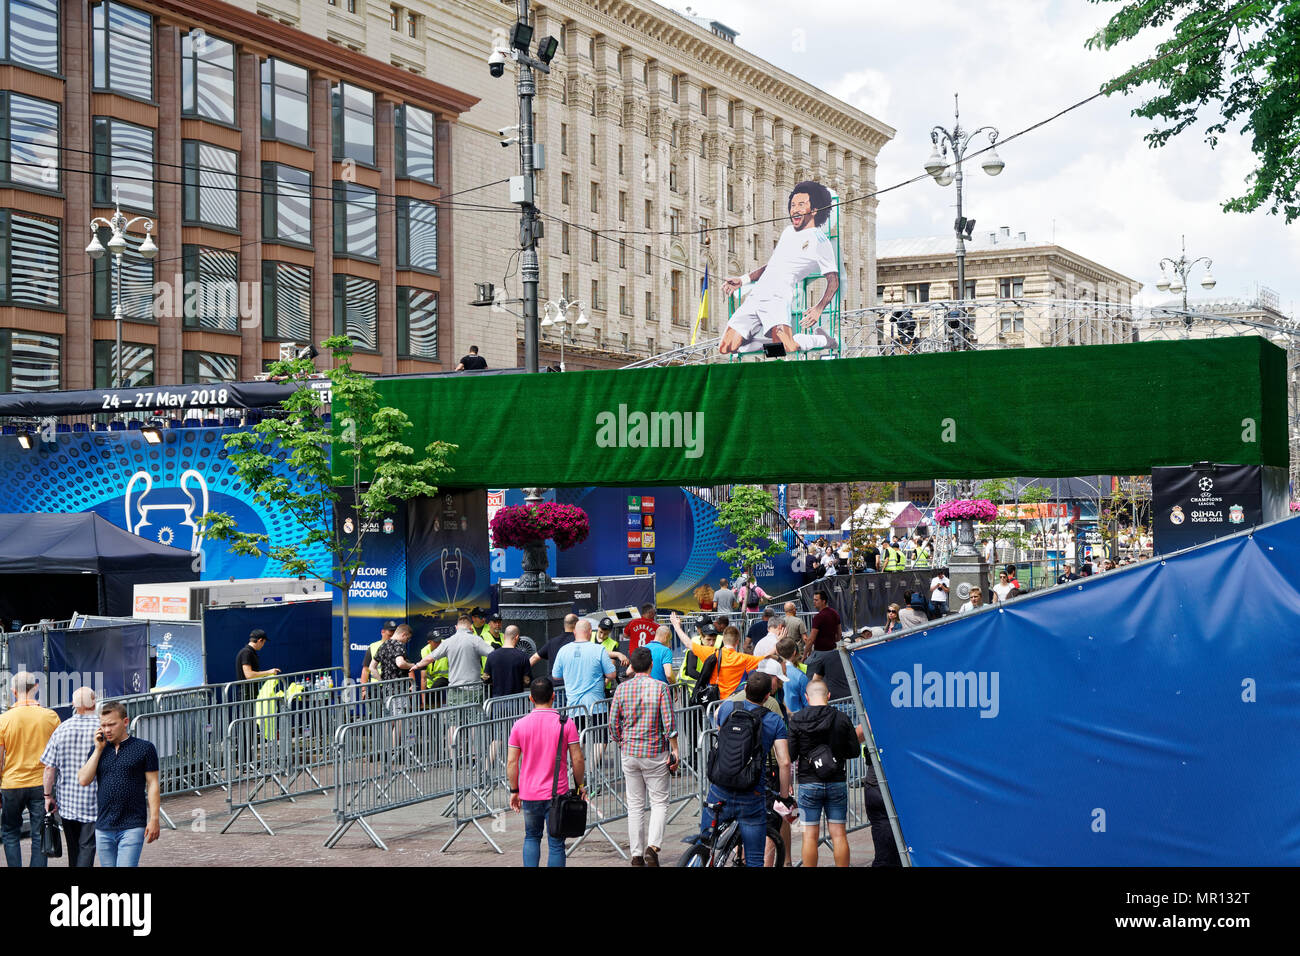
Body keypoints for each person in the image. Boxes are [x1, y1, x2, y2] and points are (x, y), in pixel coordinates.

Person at [718, 180, 839, 356]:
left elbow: (833, 280)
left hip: (778, 296)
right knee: (726, 348)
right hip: (757, 295)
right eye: (793, 205)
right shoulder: (788, 231)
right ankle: (759, 344)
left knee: (787, 349)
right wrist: (743, 280)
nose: (795, 209)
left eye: (801, 205)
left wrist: (818, 308)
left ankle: (820, 339)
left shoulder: (819, 240)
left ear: (814, 210)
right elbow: (772, 265)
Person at [702, 672, 793, 867]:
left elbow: (720, 731)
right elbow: (784, 761)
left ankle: (701, 852)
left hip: (720, 786)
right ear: (768, 695)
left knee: (705, 841)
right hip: (751, 792)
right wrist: (784, 796)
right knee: (753, 859)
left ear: (745, 689)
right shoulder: (774, 721)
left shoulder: (727, 708)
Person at [609, 647, 679, 866]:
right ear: (651, 665)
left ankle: (636, 854)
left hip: (630, 752)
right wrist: (675, 750)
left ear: (632, 666)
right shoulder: (660, 688)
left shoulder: (622, 689)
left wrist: (621, 740)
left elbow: (613, 723)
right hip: (655, 751)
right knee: (659, 802)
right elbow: (669, 723)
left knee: (635, 805)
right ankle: (653, 846)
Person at [506, 677, 586, 867]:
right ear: (553, 696)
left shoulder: (519, 725)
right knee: (557, 842)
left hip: (529, 793)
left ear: (531, 699)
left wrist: (514, 790)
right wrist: (580, 785)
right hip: (557, 794)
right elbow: (577, 759)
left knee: (531, 836)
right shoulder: (566, 723)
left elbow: (511, 762)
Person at [788, 677, 860, 867]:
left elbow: (791, 754)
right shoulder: (841, 718)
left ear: (806, 697)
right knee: (839, 834)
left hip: (808, 783)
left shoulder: (797, 720)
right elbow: (854, 751)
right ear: (828, 695)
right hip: (836, 781)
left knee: (809, 837)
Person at [77, 702, 159, 867]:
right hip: (103, 825)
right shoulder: (98, 749)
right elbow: (84, 780)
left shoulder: (144, 748)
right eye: (103, 725)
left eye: (112, 724)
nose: (107, 730)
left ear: (125, 721)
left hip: (132, 824)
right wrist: (98, 750)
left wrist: (154, 818)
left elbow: (153, 784)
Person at [0, 672, 60, 867]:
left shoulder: (4, 720)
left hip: (12, 783)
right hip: (41, 784)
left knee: (9, 832)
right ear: (36, 687)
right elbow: (58, 754)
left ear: (13, 691)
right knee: (39, 832)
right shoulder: (50, 717)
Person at [41, 687, 100, 868]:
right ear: (94, 702)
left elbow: (49, 768)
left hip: (68, 800)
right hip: (95, 799)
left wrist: (47, 796)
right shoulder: (103, 728)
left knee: (73, 847)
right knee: (88, 846)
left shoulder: (62, 729)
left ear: (74, 704)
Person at [409, 614, 495, 707]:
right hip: (473, 690)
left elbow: (430, 658)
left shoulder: (448, 642)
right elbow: (493, 654)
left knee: (454, 719)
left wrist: (416, 665)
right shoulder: (476, 640)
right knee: (473, 719)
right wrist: (488, 672)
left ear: (456, 627)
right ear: (470, 627)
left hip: (454, 690)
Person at [551, 619, 616, 726]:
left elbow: (556, 676)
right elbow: (611, 674)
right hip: (596, 706)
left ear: (574, 632)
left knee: (577, 739)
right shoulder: (599, 649)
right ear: (590, 632)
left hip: (573, 707)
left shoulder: (563, 650)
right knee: (599, 740)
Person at [687, 625, 767, 701]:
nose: (711, 642)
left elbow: (688, 643)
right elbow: (764, 658)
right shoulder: (744, 658)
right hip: (733, 701)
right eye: (709, 639)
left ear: (723, 639)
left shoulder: (712, 653)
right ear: (737, 642)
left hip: (714, 700)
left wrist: (677, 626)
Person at [484, 626, 532, 698]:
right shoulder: (523, 656)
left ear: (504, 636)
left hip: (497, 700)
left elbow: (486, 678)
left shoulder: (491, 655)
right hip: (516, 699)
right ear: (517, 637)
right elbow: (527, 681)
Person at [529, 613, 579, 678]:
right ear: (576, 625)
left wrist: (522, 673)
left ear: (564, 625)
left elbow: (534, 658)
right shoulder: (578, 642)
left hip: (554, 683)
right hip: (571, 683)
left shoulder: (552, 642)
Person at [234, 629, 279, 696]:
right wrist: (269, 672)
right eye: (263, 642)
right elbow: (249, 675)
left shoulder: (250, 652)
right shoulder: (246, 652)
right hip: (246, 695)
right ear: (260, 640)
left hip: (251, 693)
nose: (263, 645)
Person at [360, 620, 398, 691]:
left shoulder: (398, 646)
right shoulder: (373, 647)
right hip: (376, 687)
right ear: (382, 632)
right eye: (389, 635)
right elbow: (365, 670)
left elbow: (408, 670)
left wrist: (412, 686)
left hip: (393, 686)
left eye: (394, 635)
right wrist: (363, 690)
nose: (392, 638)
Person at [777, 638, 809, 715]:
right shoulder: (800, 676)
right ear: (794, 652)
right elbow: (807, 703)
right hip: (798, 718)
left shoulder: (772, 672)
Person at [807, 590, 843, 655]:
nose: (814, 602)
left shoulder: (818, 617)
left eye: (816, 600)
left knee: (806, 664)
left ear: (823, 601)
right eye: (814, 600)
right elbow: (839, 634)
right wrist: (831, 642)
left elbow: (811, 639)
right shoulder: (835, 613)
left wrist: (804, 655)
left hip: (820, 653)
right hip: (833, 651)